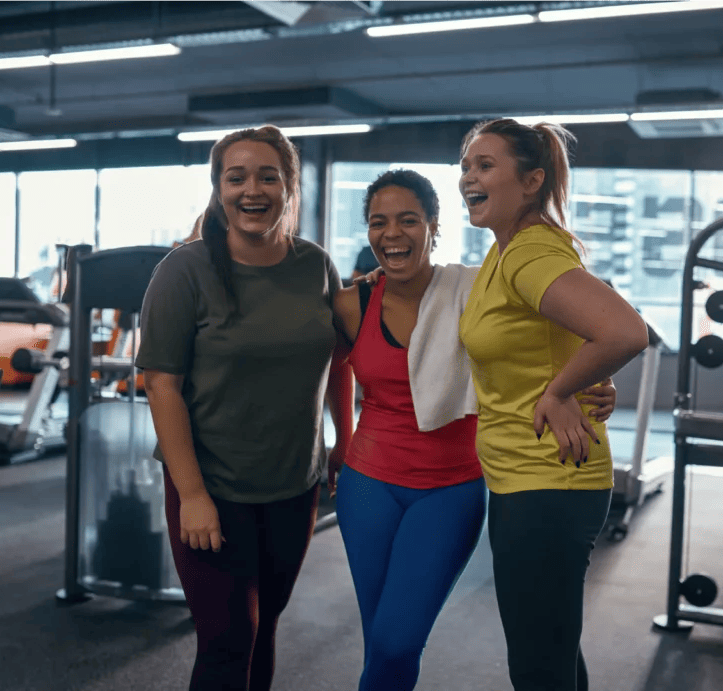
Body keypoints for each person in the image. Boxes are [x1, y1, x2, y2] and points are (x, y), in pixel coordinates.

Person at [331, 169, 617, 691]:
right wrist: (335, 441)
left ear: (433, 227)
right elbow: (325, 373)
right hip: (366, 484)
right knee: (382, 642)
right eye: (378, 222)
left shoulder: (475, 289)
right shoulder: (353, 304)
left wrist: (593, 381)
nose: (392, 233)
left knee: (397, 639)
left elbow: (546, 334)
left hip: (448, 489)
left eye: (408, 220)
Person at [135, 125, 354, 691]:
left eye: (267, 176)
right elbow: (161, 383)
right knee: (228, 639)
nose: (251, 190)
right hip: (212, 485)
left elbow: (342, 358)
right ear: (219, 188)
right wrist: (194, 497)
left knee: (266, 627)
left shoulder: (315, 266)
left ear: (289, 187)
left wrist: (344, 442)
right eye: (237, 177)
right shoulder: (184, 271)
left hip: (292, 483)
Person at [456, 118, 649, 691]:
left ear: (532, 180)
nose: (469, 176)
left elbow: (624, 331)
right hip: (532, 478)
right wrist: (566, 377)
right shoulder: (508, 248)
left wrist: (559, 390)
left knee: (539, 662)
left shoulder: (528, 254)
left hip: (546, 481)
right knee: (553, 647)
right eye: (466, 165)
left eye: (486, 165)